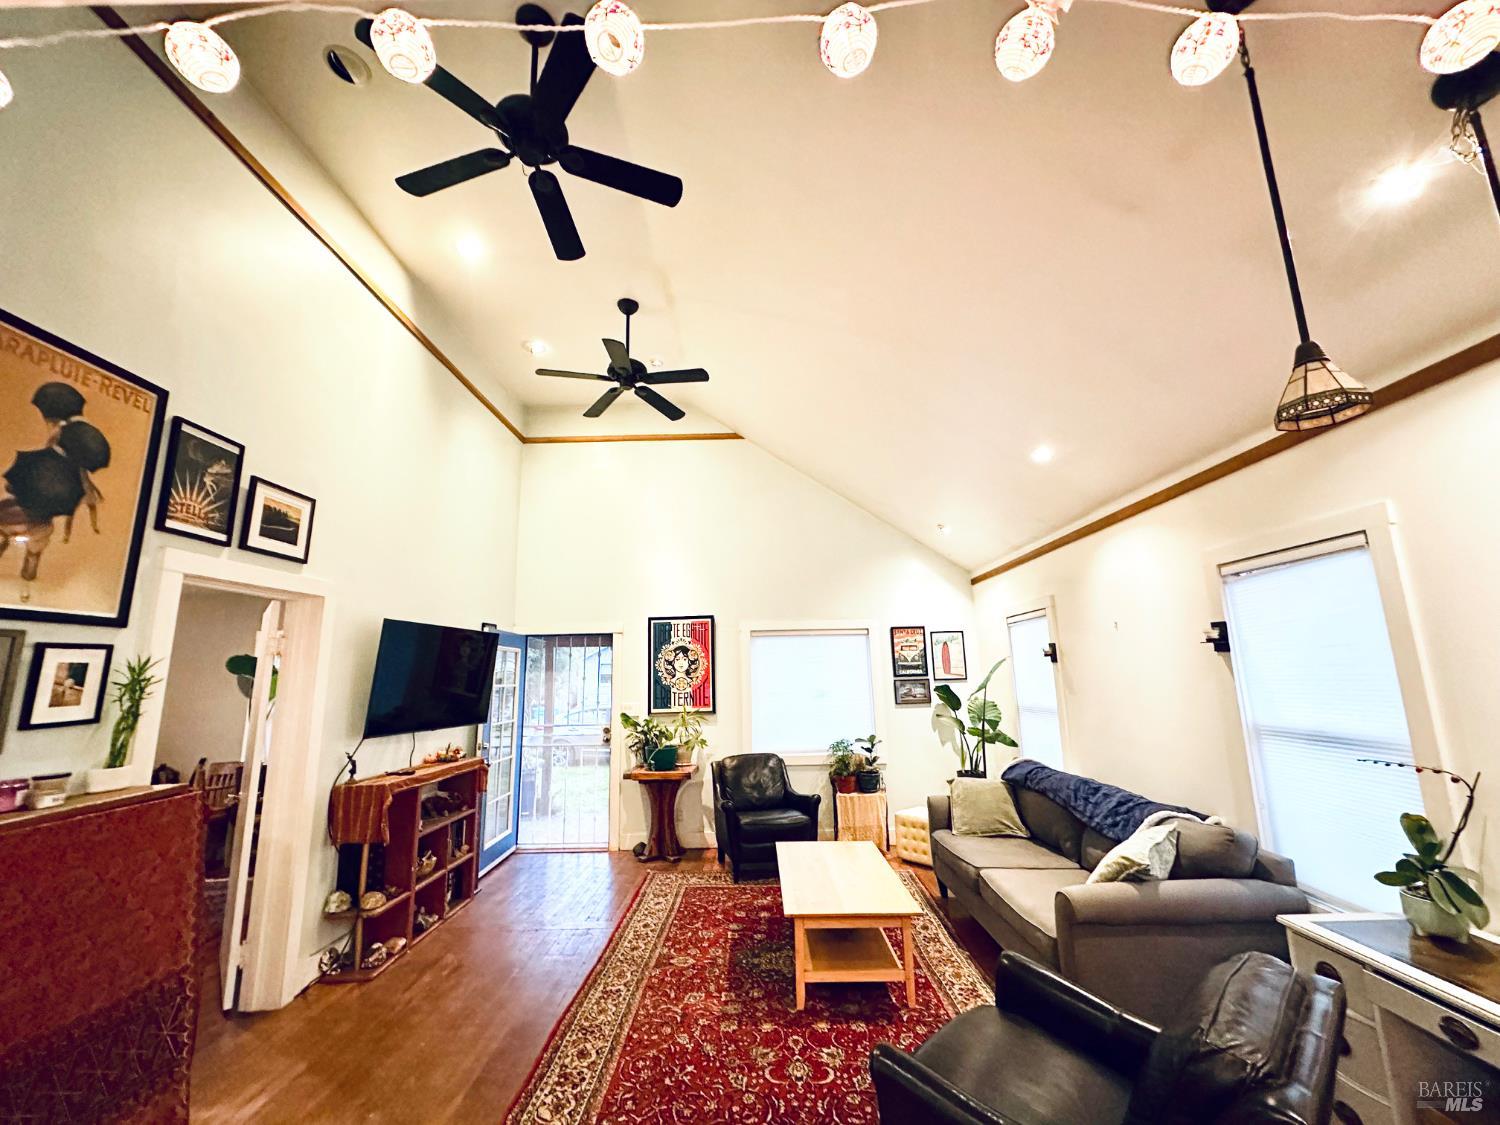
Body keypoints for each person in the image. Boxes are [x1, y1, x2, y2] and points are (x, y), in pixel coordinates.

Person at [0, 381, 111, 597]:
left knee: (16, 522)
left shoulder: (61, 434)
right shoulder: (77, 436)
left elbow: (46, 464)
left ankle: (25, 573)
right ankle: (28, 577)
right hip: (52, 500)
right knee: (34, 536)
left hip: (41, 496)